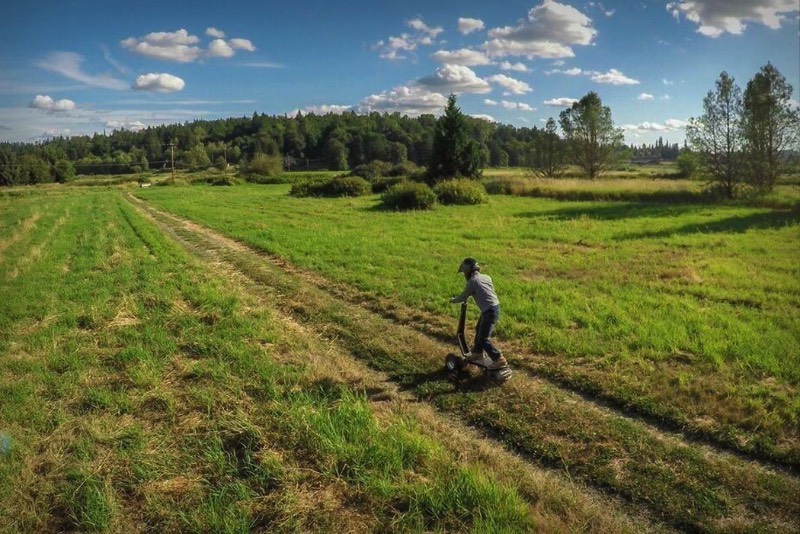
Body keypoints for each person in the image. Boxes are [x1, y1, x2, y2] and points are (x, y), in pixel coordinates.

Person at [450, 257, 507, 369]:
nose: (464, 274)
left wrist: (453, 300)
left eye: (464, 272)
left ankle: (499, 359)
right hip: (493, 307)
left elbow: (463, 296)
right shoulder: (486, 277)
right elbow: (484, 290)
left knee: (483, 338)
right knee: (478, 329)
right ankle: (477, 352)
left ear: (467, 271)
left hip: (489, 311)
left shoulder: (472, 282)